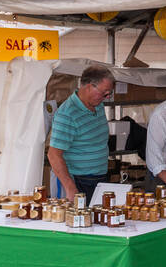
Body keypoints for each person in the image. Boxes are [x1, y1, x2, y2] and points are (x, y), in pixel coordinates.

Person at [47, 65, 115, 204]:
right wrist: (70, 187)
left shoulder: (98, 105)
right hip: (76, 181)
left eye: (109, 93)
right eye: (105, 93)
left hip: (98, 178)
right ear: (90, 87)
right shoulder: (67, 114)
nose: (107, 97)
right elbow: (53, 155)